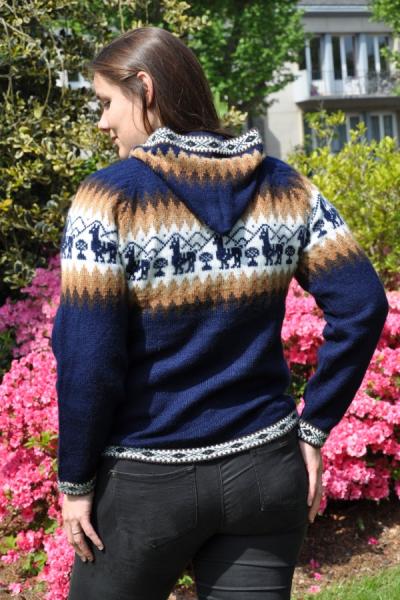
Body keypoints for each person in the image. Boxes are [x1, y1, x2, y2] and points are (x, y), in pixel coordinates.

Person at [50, 26, 389, 600]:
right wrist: (313, 429)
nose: (104, 122)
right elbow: (363, 303)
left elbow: (89, 359)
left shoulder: (107, 198)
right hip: (265, 472)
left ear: (145, 87)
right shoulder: (286, 187)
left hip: (145, 485)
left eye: (107, 103)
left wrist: (76, 480)